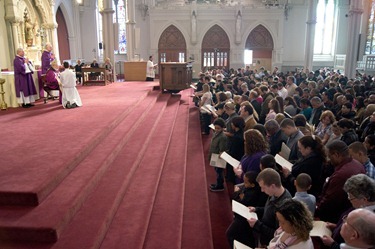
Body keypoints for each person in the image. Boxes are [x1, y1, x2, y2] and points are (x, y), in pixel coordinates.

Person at [315, 140, 366, 223]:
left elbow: (330, 201)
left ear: (336, 154)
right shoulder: (357, 164)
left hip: (335, 218)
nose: (328, 160)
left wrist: (316, 213)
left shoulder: (341, 175)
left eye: (329, 156)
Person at [321, 174, 375, 249]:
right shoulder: (360, 206)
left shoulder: (371, 222)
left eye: (351, 197)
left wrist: (333, 245)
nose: (349, 199)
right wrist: (337, 226)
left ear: (364, 199)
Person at [247, 168, 292, 247]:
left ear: (272, 186)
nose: (262, 190)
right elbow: (269, 209)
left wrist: (257, 224)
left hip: (269, 242)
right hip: (263, 234)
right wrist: (256, 209)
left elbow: (276, 234)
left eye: (263, 187)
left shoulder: (284, 206)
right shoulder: (274, 193)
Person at [226, 171, 268, 248]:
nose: (244, 184)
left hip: (244, 217)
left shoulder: (253, 194)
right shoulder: (248, 188)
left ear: (252, 185)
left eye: (245, 182)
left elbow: (242, 201)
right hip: (242, 215)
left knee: (230, 234)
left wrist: (239, 195)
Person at [209, 118, 227, 192]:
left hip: (218, 157)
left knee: (219, 172)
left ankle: (220, 185)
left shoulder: (222, 137)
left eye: (218, 128)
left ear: (223, 128)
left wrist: (220, 156)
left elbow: (222, 149)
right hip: (214, 155)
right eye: (215, 128)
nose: (216, 129)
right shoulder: (216, 133)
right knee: (216, 171)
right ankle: (217, 183)